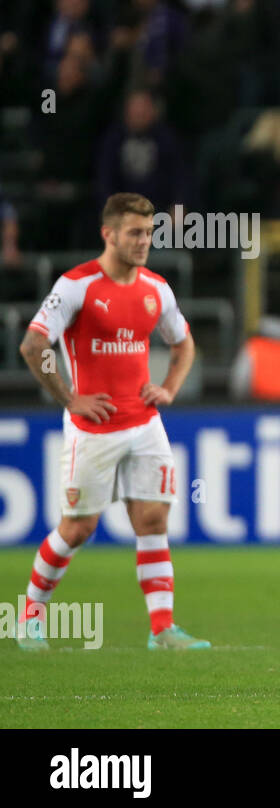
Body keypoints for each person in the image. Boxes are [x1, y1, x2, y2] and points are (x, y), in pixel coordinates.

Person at [16, 192, 208, 651]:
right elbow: (32, 345)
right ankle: (29, 617)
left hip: (144, 422)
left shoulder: (156, 289)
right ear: (109, 234)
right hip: (93, 428)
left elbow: (183, 345)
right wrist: (69, 397)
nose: (144, 241)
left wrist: (170, 388)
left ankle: (162, 629)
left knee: (153, 519)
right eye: (135, 233)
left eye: (149, 232)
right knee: (78, 528)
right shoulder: (77, 285)